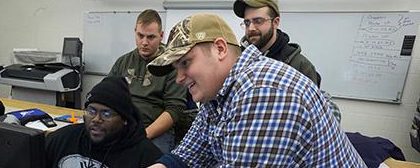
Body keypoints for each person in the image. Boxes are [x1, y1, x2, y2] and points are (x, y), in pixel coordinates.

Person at [146, 13, 366, 167]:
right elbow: (190, 154)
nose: (179, 78)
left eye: (185, 63)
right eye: (176, 68)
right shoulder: (218, 94)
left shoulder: (263, 91)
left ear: (220, 49)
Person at [109, 9, 187, 153]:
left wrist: (143, 135)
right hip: (123, 127)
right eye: (140, 35)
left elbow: (175, 109)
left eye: (151, 37)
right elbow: (107, 96)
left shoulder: (172, 65)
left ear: (161, 36)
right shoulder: (123, 62)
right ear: (135, 32)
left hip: (155, 131)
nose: (144, 42)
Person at [45, 76, 163, 168]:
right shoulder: (63, 139)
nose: (96, 119)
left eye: (106, 114)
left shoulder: (146, 156)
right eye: (91, 111)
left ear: (125, 119)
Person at [233, 0, 320, 86]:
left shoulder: (300, 66)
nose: (251, 28)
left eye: (258, 21)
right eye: (247, 23)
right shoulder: (237, 60)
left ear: (275, 22)